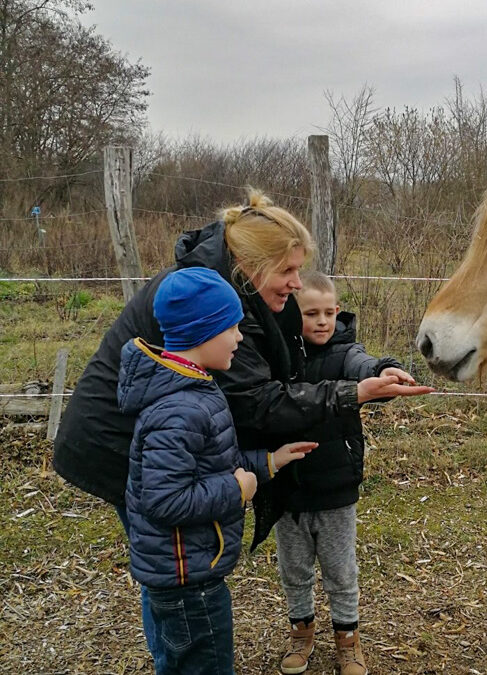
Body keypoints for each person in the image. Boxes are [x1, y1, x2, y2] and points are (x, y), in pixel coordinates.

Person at [53, 188, 433, 665]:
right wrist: (353, 395)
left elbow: (312, 349)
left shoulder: (233, 290)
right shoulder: (213, 303)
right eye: (289, 270)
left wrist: (365, 368)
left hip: (154, 444)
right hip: (116, 444)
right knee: (180, 579)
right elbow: (255, 402)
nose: (298, 283)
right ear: (251, 264)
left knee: (171, 584)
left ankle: (177, 653)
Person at [119, 266, 316, 674]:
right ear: (203, 332)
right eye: (233, 329)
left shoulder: (194, 388)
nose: (240, 338)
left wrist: (269, 462)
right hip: (187, 585)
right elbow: (165, 500)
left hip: (188, 575)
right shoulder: (180, 409)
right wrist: (237, 491)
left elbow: (214, 463)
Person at [276, 271, 427, 675]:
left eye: (329, 312)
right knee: (294, 570)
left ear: (338, 312)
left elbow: (363, 364)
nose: (322, 321)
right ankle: (301, 631)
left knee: (341, 571)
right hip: (287, 489)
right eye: (311, 313)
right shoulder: (278, 354)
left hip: (336, 487)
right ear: (293, 312)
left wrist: (386, 369)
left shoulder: (345, 351)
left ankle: (348, 639)